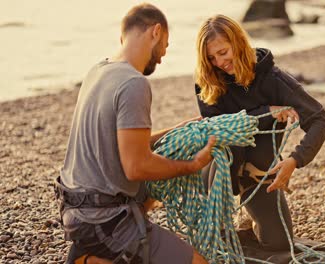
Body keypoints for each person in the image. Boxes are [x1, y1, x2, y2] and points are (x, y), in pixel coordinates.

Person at [55, 3, 215, 264]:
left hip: (73, 209)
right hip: (103, 219)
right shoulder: (134, 83)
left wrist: (177, 130)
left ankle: (105, 250)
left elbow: (125, 144)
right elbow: (136, 167)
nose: (163, 55)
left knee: (153, 188)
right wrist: (191, 165)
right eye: (165, 44)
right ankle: (99, 256)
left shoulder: (98, 71)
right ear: (156, 31)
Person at [195, 15, 325, 251]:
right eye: (211, 57)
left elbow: (320, 119)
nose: (219, 62)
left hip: (257, 174)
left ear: (238, 42)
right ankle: (216, 220)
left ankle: (247, 217)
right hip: (220, 170)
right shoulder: (208, 81)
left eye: (223, 52)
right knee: (214, 246)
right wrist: (266, 112)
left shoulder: (273, 78)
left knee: (279, 245)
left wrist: (295, 160)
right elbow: (220, 129)